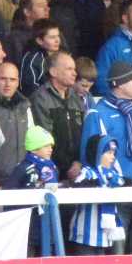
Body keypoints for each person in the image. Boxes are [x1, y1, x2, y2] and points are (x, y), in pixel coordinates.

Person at [80, 61, 132, 254]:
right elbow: (90, 155)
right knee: (117, 256)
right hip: (116, 194)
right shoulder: (98, 113)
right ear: (119, 84)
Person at [3, 125, 59, 254]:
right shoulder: (23, 168)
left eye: (51, 146)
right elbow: (9, 193)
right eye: (46, 146)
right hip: (28, 225)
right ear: (34, 148)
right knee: (29, 255)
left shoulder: (52, 168)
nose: (50, 149)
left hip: (47, 222)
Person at [29, 51, 85, 180]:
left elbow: (84, 134)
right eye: (69, 69)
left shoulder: (76, 98)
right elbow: (43, 138)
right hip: (50, 170)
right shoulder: (40, 98)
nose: (75, 73)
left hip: (77, 169)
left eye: (74, 69)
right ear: (53, 72)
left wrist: (78, 162)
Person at [68, 135, 127, 255]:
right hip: (85, 234)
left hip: (104, 236)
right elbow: (78, 185)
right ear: (97, 153)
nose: (112, 157)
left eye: (113, 153)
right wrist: (94, 184)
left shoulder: (113, 175)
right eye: (109, 153)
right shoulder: (88, 172)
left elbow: (125, 184)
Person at [19, 19, 62, 97]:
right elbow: (29, 89)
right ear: (39, 41)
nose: (57, 40)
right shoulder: (32, 59)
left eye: (58, 36)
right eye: (52, 37)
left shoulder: (60, 57)